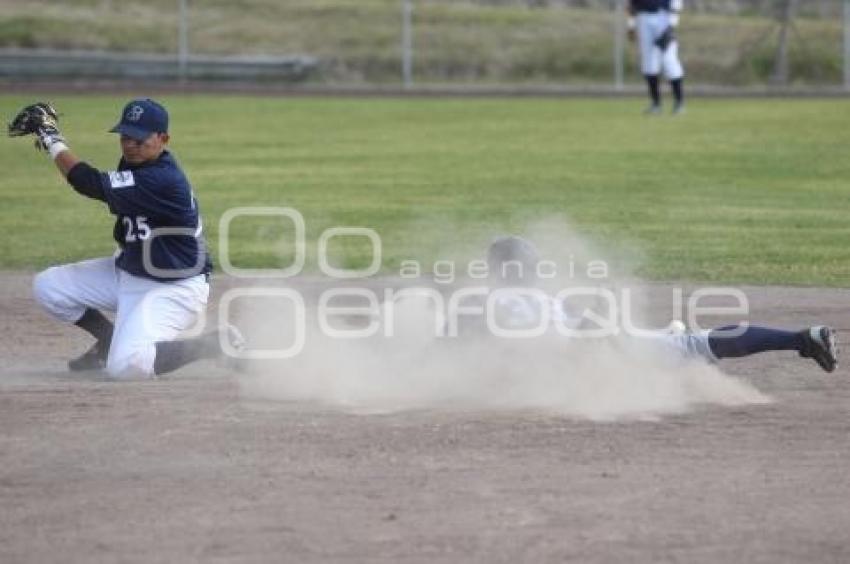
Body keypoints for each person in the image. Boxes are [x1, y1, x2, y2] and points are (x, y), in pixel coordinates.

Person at [8, 100, 242, 378]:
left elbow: (88, 183)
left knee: (127, 366)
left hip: (172, 288)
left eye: (139, 138)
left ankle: (210, 345)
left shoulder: (163, 179)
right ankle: (109, 341)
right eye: (125, 136)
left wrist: (51, 138)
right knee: (49, 287)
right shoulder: (137, 163)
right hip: (128, 272)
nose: (130, 144)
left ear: (163, 139)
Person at [477, 236, 839, 373]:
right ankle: (802, 339)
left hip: (591, 353)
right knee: (688, 343)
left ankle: (804, 339)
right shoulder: (543, 298)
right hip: (595, 349)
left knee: (682, 346)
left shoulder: (486, 303)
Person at [628, 0, 685, 115]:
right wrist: (631, 25)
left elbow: (677, 2)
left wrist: (672, 25)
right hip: (643, 17)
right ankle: (656, 104)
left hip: (663, 17)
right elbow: (631, 4)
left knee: (669, 60)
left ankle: (679, 103)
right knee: (648, 62)